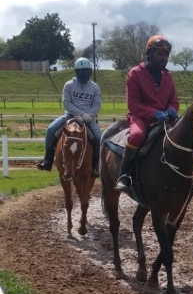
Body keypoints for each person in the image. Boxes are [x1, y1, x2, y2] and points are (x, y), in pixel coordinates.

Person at [115, 35, 180, 192]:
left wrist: (172, 109)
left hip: (165, 118)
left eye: (166, 55)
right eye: (160, 54)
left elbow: (174, 100)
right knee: (136, 136)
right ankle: (125, 175)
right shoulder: (135, 73)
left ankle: (188, 177)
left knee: (184, 134)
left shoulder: (168, 76)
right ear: (149, 54)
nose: (164, 58)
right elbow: (133, 104)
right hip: (141, 117)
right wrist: (154, 113)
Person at [37, 57, 102, 176]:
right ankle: (47, 160)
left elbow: (97, 104)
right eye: (82, 72)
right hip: (69, 116)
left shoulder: (94, 87)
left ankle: (95, 166)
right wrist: (80, 114)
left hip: (88, 118)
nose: (85, 74)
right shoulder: (69, 85)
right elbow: (66, 102)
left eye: (87, 71)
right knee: (51, 129)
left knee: (99, 138)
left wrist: (88, 115)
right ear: (77, 72)